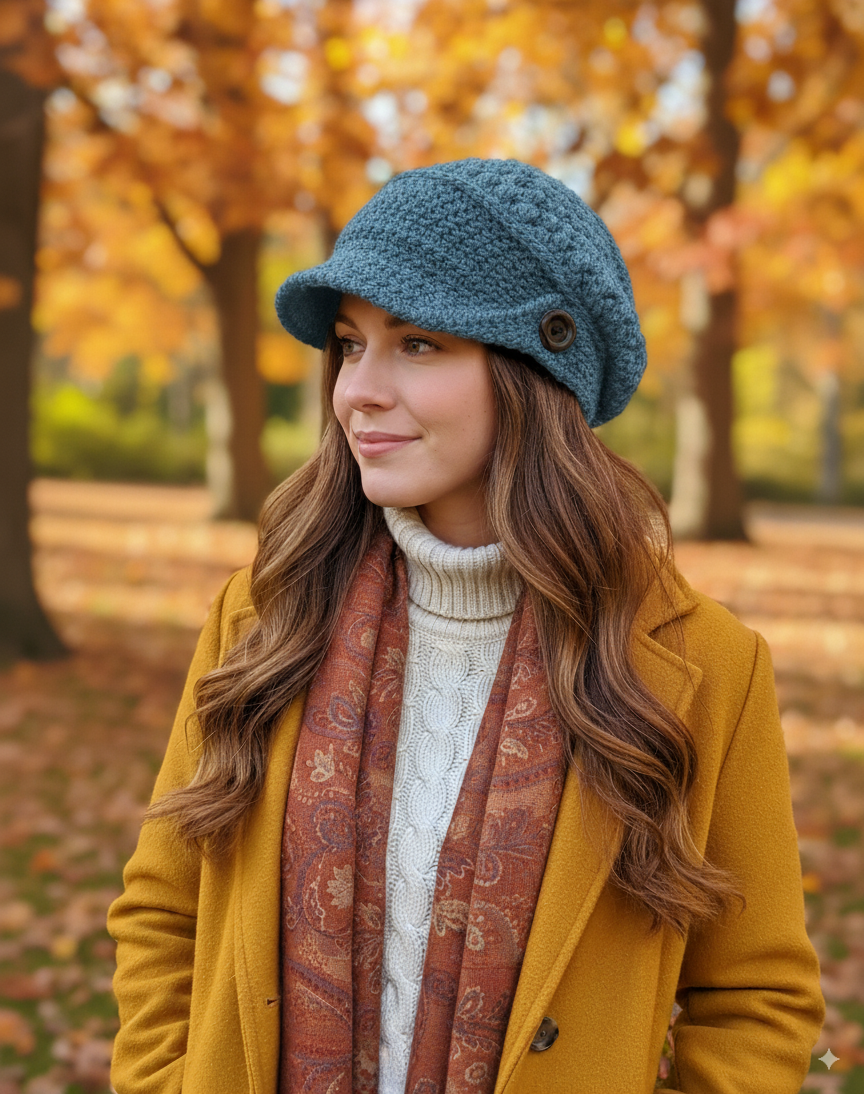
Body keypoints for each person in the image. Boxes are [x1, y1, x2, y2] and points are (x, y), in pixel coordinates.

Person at [107, 158, 825, 1094]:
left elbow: (756, 997)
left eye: (416, 345)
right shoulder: (266, 616)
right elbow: (165, 909)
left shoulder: (702, 668)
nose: (357, 389)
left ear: (536, 371)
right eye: (351, 344)